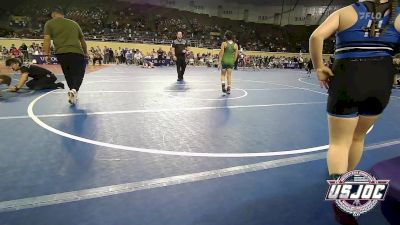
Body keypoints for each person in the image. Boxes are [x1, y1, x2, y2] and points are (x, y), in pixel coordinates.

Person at [309, 0, 400, 224]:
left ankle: (340, 194)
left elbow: (316, 37)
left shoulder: (346, 12)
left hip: (348, 77)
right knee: (358, 137)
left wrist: (320, 68)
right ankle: (344, 178)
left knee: (339, 143)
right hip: (381, 79)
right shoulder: (398, 16)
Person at [43, 8, 88, 104]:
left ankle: (73, 94)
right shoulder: (74, 23)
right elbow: (82, 40)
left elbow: (47, 39)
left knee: (68, 74)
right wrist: (86, 53)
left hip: (61, 53)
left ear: (53, 14)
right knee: (79, 74)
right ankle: (74, 90)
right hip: (76, 52)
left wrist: (46, 54)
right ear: (63, 14)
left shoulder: (49, 23)